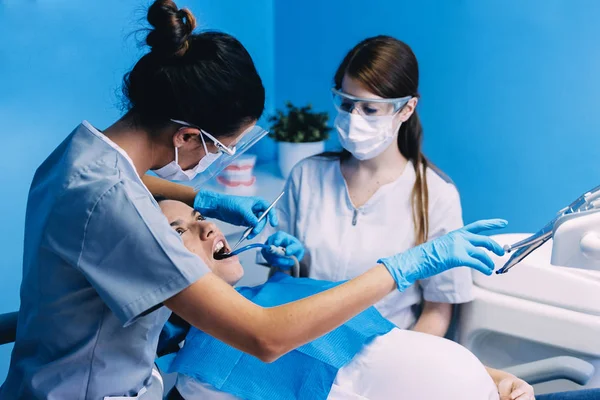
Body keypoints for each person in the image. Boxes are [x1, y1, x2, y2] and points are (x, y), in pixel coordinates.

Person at [0, 2, 506, 399]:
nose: (206, 228)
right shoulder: (118, 208)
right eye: (221, 148)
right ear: (187, 137)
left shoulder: (78, 154)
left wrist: (202, 198)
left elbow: (127, 187)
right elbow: (265, 336)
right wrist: (400, 268)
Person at [157, 199, 600, 400]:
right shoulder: (206, 375)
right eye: (180, 231)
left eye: (199, 215)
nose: (208, 226)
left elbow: (385, 343)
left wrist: (496, 377)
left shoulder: (277, 293)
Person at [257, 35, 475, 335]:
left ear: (407, 109)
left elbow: (437, 309)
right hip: (304, 343)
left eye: (370, 109)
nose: (354, 119)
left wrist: (401, 369)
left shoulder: (435, 196)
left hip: (386, 351)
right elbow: (280, 280)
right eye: (347, 104)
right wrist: (280, 261)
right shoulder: (307, 176)